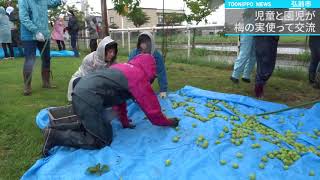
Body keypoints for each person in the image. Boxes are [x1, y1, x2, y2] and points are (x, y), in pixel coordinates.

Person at [42, 54, 179, 157]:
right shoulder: (139, 77)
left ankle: (55, 127)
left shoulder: (123, 67)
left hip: (81, 92)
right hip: (89, 99)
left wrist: (125, 122)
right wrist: (169, 122)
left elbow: (119, 99)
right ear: (150, 70)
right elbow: (153, 111)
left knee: (96, 125)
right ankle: (55, 136)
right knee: (102, 140)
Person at [19, 0, 65, 96]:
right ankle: (27, 86)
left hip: (44, 34)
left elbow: (53, 3)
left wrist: (60, 1)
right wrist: (35, 31)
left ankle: (46, 82)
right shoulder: (24, 1)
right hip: (29, 35)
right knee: (30, 60)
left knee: (46, 58)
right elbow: (23, 18)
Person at [67, 36, 118, 101]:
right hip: (82, 79)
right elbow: (87, 79)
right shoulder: (90, 59)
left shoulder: (112, 62)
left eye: (114, 52)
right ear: (103, 51)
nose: (112, 54)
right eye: (110, 52)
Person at [128, 31, 168, 98]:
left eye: (146, 43)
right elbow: (128, 70)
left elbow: (161, 73)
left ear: (151, 43)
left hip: (148, 78)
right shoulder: (134, 53)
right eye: (142, 43)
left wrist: (163, 90)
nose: (143, 45)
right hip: (135, 79)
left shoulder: (157, 56)